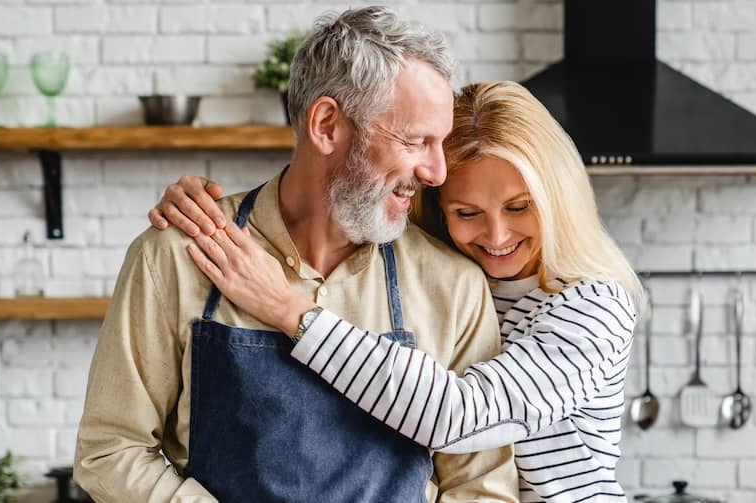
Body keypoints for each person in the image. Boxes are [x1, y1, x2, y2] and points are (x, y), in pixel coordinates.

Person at [74, 7, 520, 502]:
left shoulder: (452, 284)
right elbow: (111, 450)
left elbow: (480, 487)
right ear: (327, 125)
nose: (437, 172)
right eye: (417, 141)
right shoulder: (176, 255)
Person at [149, 81, 643, 502]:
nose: (496, 236)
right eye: (468, 213)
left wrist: (288, 308)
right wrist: (209, 209)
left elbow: (457, 417)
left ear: (558, 195)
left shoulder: (591, 306)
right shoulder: (455, 278)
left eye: (519, 207)